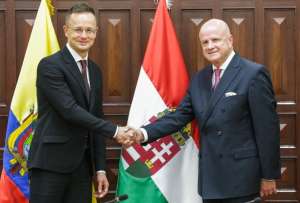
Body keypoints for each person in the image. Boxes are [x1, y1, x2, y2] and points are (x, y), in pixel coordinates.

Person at [130, 19, 281, 202]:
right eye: (205, 42)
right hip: (210, 178)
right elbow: (179, 116)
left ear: (230, 40)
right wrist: (142, 133)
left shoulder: (253, 74)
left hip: (241, 177)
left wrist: (269, 175)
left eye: (215, 40)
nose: (210, 46)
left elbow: (267, 129)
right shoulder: (199, 79)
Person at [28, 3, 132, 203]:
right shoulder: (50, 65)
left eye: (89, 30)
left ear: (96, 32)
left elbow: (95, 118)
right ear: (66, 31)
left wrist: (100, 168)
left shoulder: (94, 70)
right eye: (78, 29)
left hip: (82, 169)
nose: (84, 35)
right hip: (50, 165)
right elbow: (70, 111)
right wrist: (116, 131)